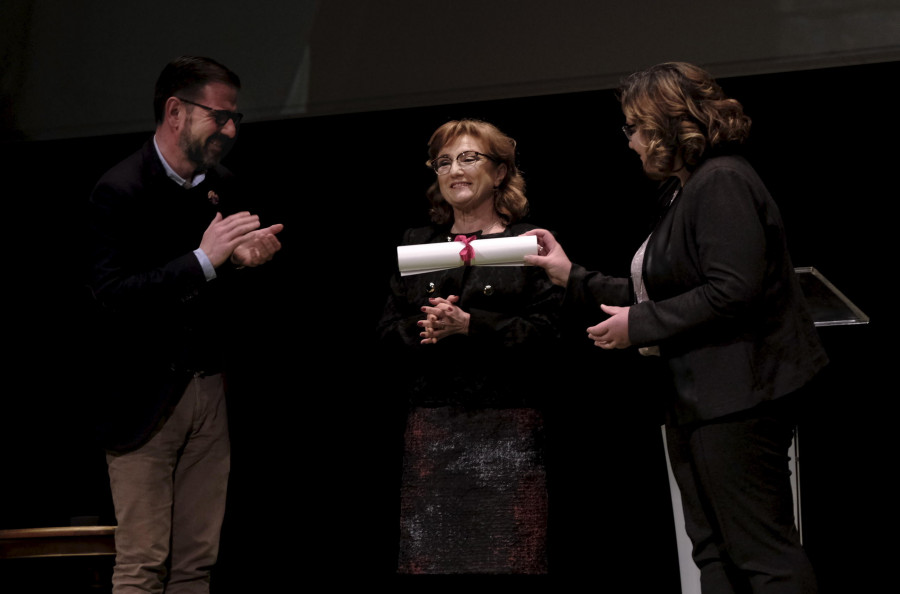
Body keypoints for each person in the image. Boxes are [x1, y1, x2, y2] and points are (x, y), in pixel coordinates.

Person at [524, 62, 828, 593]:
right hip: (698, 398)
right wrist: (572, 276)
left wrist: (638, 326)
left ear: (668, 125)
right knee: (714, 553)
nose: (631, 142)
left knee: (761, 554)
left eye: (635, 128)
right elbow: (660, 291)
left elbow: (733, 290)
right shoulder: (683, 192)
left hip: (738, 397)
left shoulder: (723, 180)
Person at [86, 55, 283, 593]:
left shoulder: (221, 185)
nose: (230, 129)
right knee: (144, 562)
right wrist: (204, 259)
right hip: (143, 398)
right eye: (218, 116)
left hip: (207, 388)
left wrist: (244, 262)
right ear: (175, 111)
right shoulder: (120, 189)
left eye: (234, 117)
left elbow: (220, 289)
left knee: (197, 561)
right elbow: (112, 295)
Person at [376, 119, 564, 575]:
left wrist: (471, 326)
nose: (454, 170)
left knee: (508, 561)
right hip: (433, 427)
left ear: (500, 172)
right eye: (443, 162)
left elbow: (549, 333)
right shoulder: (417, 245)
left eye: (468, 158)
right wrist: (431, 326)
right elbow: (386, 332)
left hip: (508, 429)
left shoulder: (530, 243)